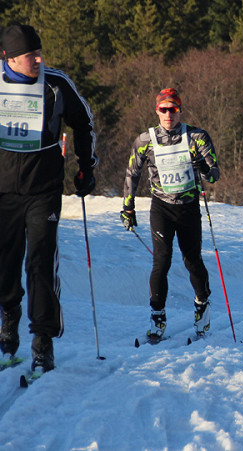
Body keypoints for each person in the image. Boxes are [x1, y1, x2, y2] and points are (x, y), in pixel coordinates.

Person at [0, 24, 97, 373]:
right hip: (4, 193)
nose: (39, 60)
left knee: (40, 263)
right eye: (31, 56)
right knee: (5, 265)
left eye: (40, 53)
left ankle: (43, 342)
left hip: (44, 190)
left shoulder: (56, 84)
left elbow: (83, 123)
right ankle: (8, 323)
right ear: (9, 58)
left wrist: (86, 167)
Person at [120, 88, 220, 341]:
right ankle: (157, 318)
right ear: (157, 111)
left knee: (192, 260)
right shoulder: (145, 140)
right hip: (161, 207)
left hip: (188, 207)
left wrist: (202, 166)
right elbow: (132, 173)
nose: (168, 114)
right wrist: (128, 208)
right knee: (161, 262)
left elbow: (214, 175)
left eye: (173, 109)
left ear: (180, 110)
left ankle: (202, 307)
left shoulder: (196, 137)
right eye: (163, 109)